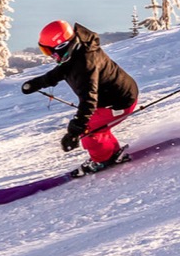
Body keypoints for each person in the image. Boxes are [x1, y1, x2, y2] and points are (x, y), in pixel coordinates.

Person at [21, 20, 140, 176]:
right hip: (113, 97)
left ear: (60, 46)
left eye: (48, 51)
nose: (49, 55)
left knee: (89, 130)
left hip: (119, 102)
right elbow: (62, 71)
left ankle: (102, 160)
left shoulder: (85, 64)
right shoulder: (77, 49)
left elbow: (89, 100)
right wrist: (37, 83)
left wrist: (75, 130)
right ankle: (112, 152)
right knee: (96, 126)